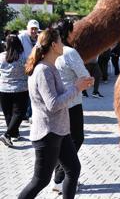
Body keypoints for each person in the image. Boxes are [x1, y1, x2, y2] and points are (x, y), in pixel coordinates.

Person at [18, 28, 93, 199]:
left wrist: (79, 84)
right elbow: (53, 104)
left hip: (59, 130)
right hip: (47, 133)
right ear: (53, 45)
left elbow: (57, 97)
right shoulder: (43, 70)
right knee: (40, 180)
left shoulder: (50, 67)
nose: (63, 44)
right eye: (60, 41)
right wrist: (77, 87)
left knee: (73, 170)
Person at [51, 19, 94, 193]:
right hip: (72, 102)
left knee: (61, 140)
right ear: (68, 33)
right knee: (75, 139)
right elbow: (85, 76)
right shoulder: (69, 52)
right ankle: (61, 179)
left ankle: (58, 179)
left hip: (53, 102)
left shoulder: (46, 51)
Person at [0, 34, 28, 146]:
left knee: (8, 113)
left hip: (3, 89)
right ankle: (7, 134)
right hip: (20, 89)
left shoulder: (1, 56)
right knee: (19, 113)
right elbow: (28, 71)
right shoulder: (23, 57)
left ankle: (14, 133)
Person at [18, 19, 40, 121]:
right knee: (24, 92)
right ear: (28, 29)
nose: (34, 31)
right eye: (32, 29)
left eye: (35, 29)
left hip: (35, 68)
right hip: (23, 68)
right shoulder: (21, 37)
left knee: (33, 91)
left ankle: (30, 114)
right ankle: (24, 113)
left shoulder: (39, 39)